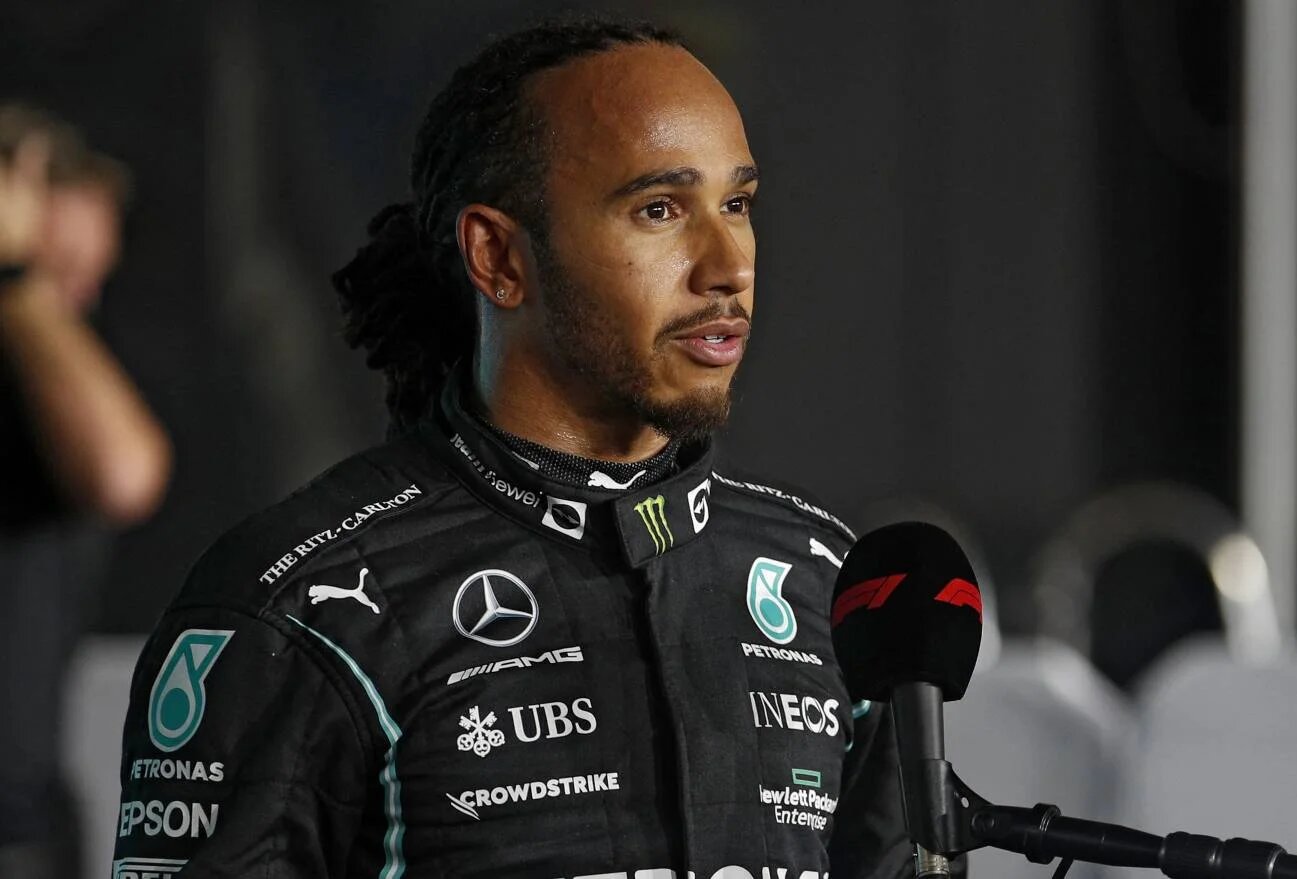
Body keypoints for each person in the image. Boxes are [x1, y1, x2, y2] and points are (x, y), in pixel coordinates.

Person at [113, 17, 934, 879]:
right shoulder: (298, 604)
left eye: (736, 204)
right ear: (499, 256)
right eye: (658, 209)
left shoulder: (825, 581)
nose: (727, 265)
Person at [0, 105, 171, 878]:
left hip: (25, 825)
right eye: (59, 271)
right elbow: (121, 471)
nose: (74, 308)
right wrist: (14, 278)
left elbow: (123, 474)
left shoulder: (44, 400)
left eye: (90, 282)